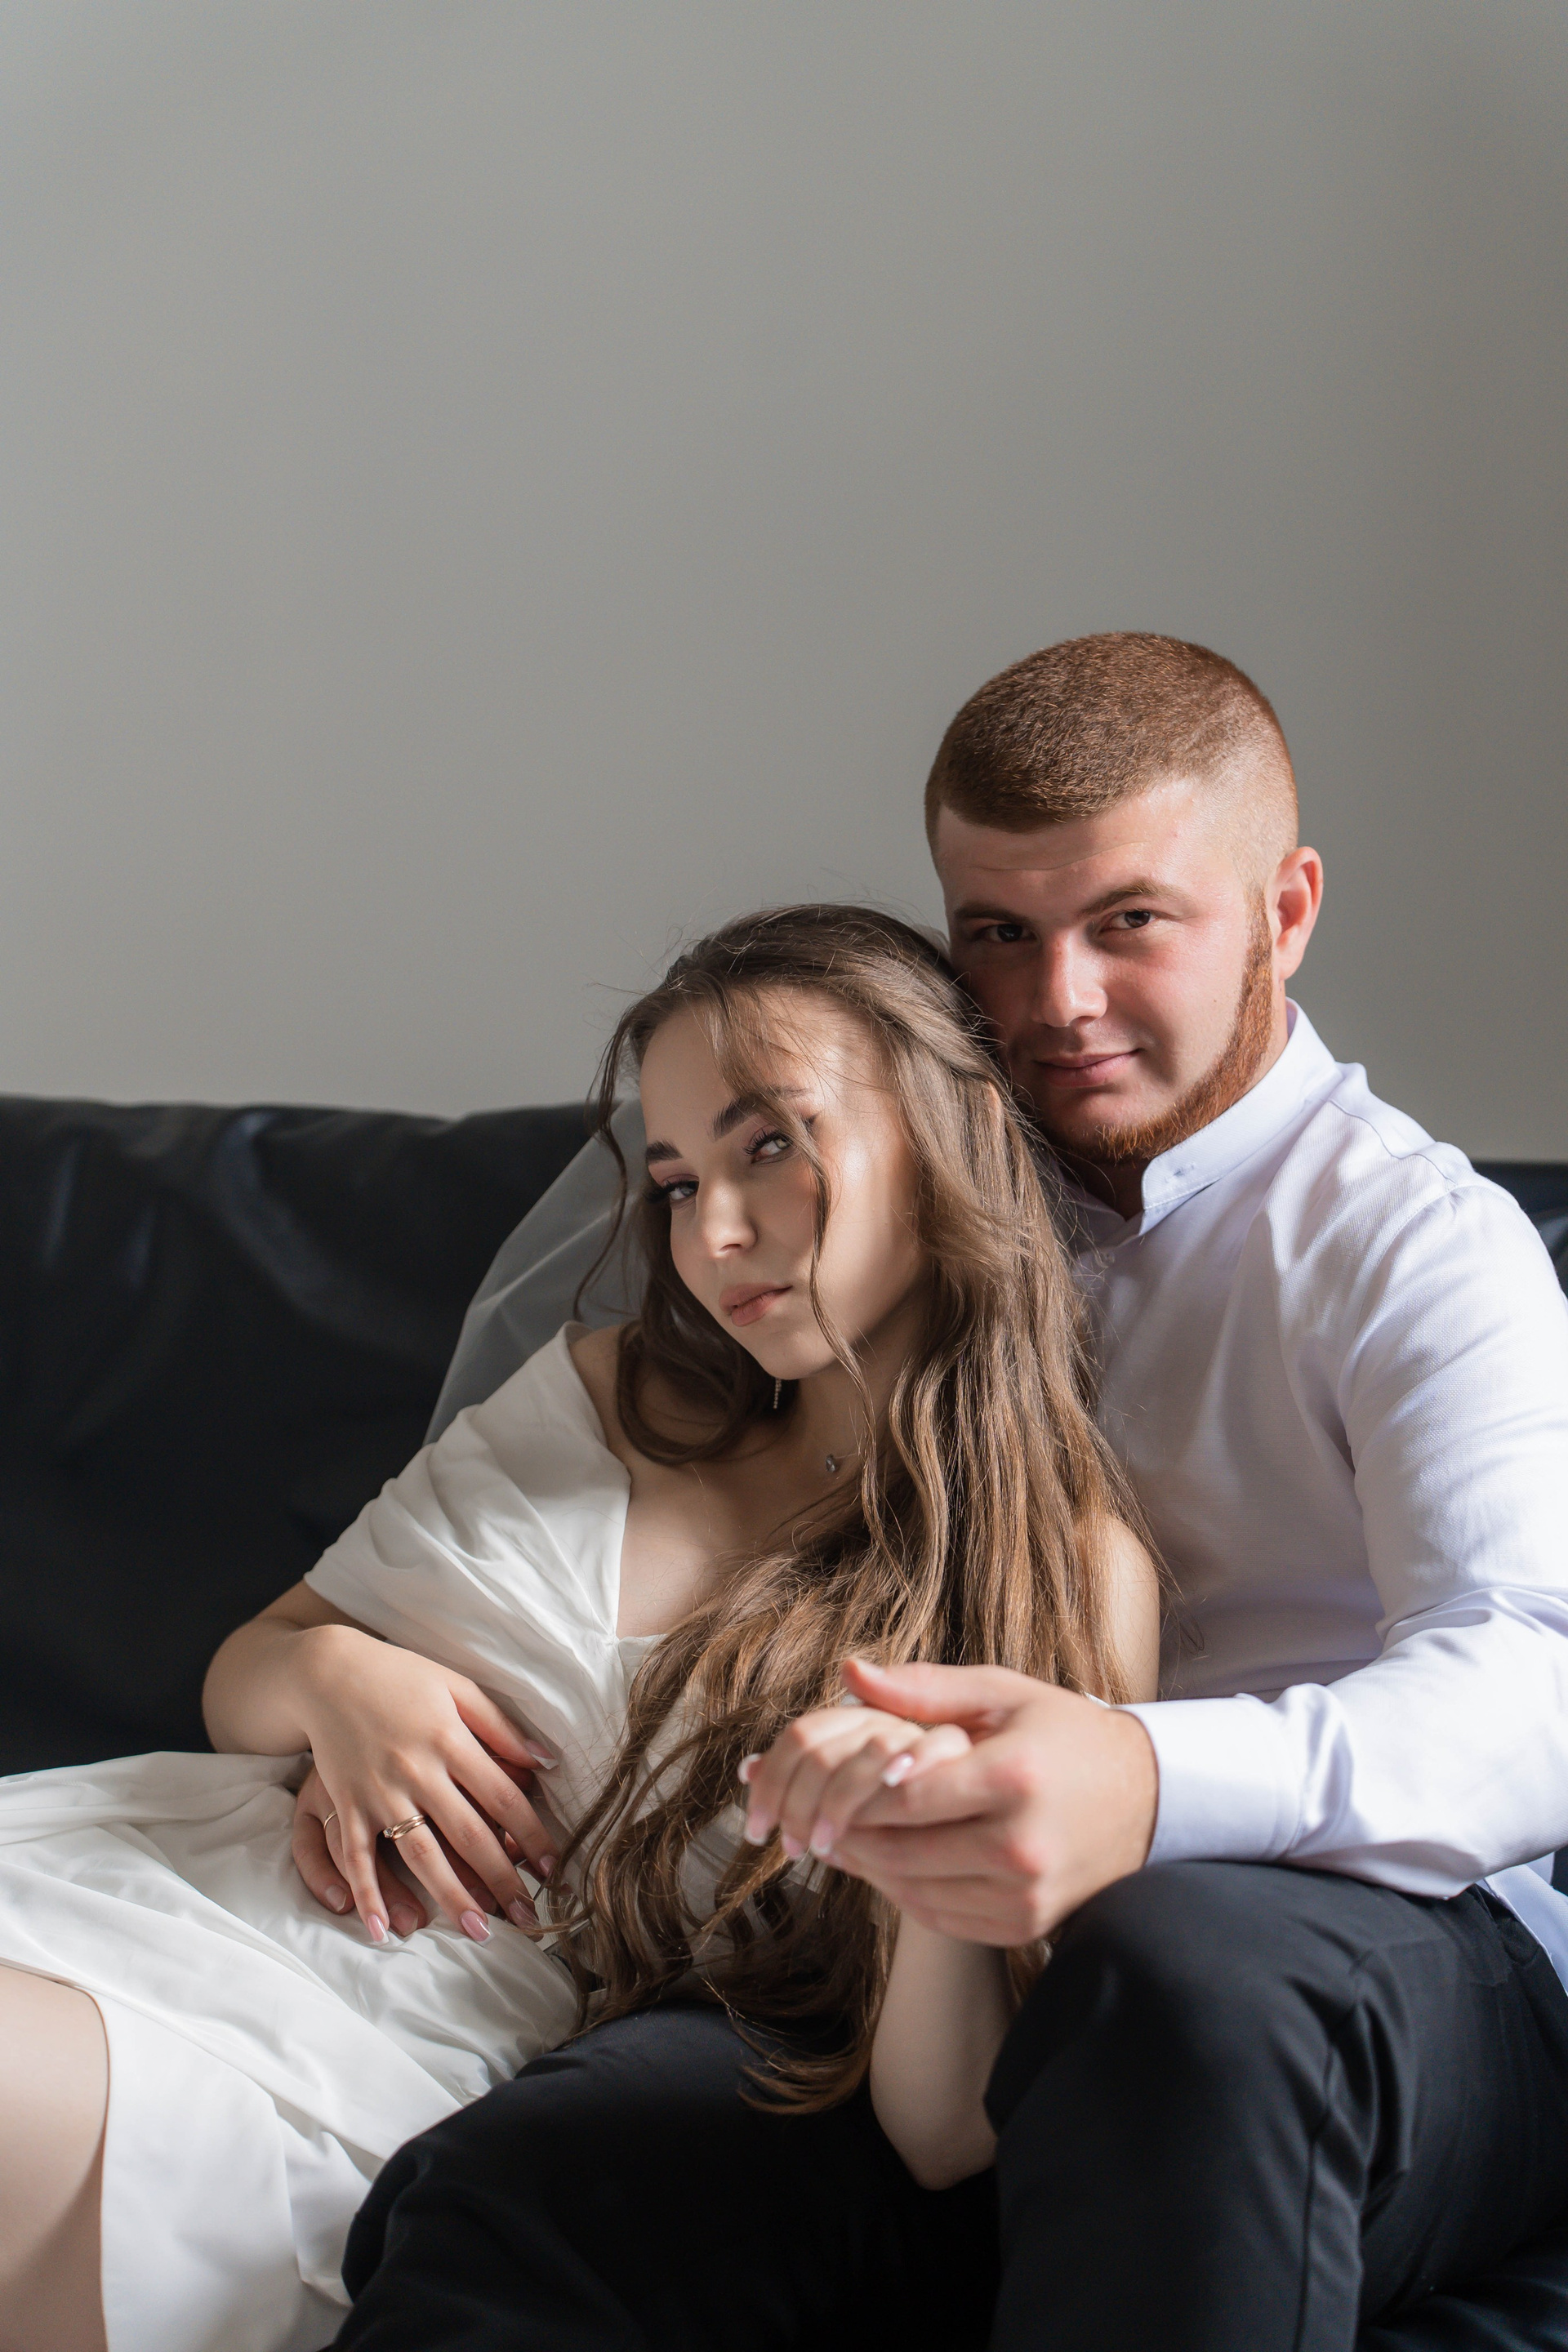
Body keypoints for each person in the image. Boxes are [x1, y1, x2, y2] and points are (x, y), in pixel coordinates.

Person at [329, 633, 1568, 2351]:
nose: (1057, 1001)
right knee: (547, 2170)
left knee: (1177, 1984)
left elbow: (1533, 1690)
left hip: (1378, 1952)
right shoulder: (895, 1189)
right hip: (943, 1965)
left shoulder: (1415, 1250)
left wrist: (1143, 1779)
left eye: (1129, 922)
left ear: (1284, 913)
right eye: (996, 933)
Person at [0, 906, 1156, 2352]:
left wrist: (925, 1847)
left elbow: (944, 2130)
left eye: (772, 1144)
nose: (714, 1234)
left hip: (367, 2040)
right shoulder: (615, 1387)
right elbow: (248, 1673)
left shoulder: (1062, 1572)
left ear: (955, 1129)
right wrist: (341, 1678)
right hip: (141, 1878)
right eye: (676, 1182)